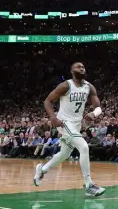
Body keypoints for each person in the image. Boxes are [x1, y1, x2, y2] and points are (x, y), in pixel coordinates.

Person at [33, 62, 105, 197]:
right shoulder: (66, 85)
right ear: (72, 71)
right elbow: (47, 101)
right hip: (64, 122)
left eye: (83, 66)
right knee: (84, 147)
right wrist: (53, 117)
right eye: (78, 67)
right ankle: (89, 184)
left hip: (76, 124)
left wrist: (94, 114)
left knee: (65, 154)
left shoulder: (89, 87)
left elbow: (98, 107)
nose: (82, 68)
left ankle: (42, 170)